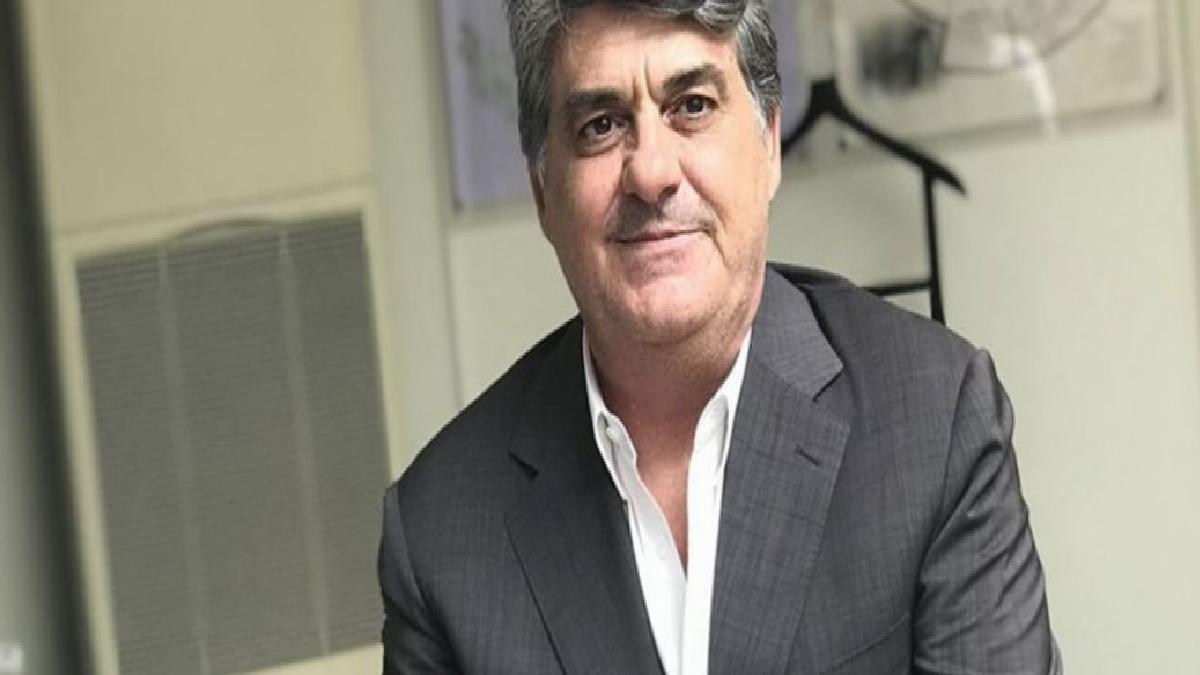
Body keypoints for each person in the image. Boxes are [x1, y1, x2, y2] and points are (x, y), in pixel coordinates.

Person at [378, 0, 1060, 672]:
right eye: (601, 125)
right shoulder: (442, 535)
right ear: (542, 192)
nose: (651, 173)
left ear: (768, 144)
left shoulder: (933, 422)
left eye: (692, 106)